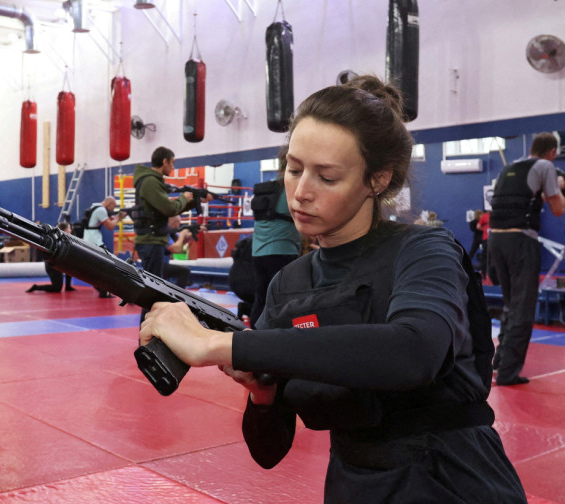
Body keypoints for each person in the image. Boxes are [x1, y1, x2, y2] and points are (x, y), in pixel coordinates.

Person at [139, 75, 526, 503]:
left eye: (327, 177)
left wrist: (220, 345)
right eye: (294, 168)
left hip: (452, 482)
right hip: (353, 485)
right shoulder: (290, 283)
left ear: (377, 180)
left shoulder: (423, 249)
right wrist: (263, 394)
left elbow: (413, 352)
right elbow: (268, 452)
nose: (301, 193)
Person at [488, 132, 565, 386]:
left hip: (496, 240)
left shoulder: (510, 167)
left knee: (511, 304)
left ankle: (499, 363)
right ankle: (508, 373)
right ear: (552, 152)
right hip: (520, 240)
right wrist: (559, 186)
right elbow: (558, 208)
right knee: (523, 308)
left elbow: (523, 200)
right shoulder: (546, 166)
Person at [133, 146, 205, 318]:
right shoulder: (150, 181)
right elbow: (169, 208)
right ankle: (146, 336)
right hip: (151, 241)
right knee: (152, 293)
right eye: (172, 163)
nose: (173, 167)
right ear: (164, 161)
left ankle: (149, 333)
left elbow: (167, 209)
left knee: (154, 291)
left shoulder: (153, 181)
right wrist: (184, 198)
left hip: (153, 241)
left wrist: (194, 201)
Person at [249, 148, 302, 328]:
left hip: (258, 252)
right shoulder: (292, 188)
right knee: (285, 300)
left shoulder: (267, 187)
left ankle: (252, 337)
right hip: (283, 251)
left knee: (261, 298)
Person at [82, 196, 125, 297]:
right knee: (109, 263)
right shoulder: (101, 210)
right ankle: (103, 289)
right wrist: (119, 218)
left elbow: (108, 218)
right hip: (94, 241)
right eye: (113, 207)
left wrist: (116, 217)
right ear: (109, 204)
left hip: (89, 239)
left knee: (100, 265)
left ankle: (101, 288)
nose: (112, 209)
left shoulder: (95, 206)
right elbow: (110, 226)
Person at [26, 221, 74, 293]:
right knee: (57, 288)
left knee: (70, 265)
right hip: (52, 266)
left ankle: (68, 286)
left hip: (57, 264)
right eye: (69, 228)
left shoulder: (66, 238)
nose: (70, 230)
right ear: (65, 230)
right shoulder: (58, 239)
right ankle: (36, 287)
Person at [163, 215, 195, 289]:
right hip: (158, 265)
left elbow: (181, 241)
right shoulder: (165, 234)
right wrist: (182, 235)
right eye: (178, 223)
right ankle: (178, 295)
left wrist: (194, 232)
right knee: (185, 271)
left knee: (184, 271)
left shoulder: (171, 233)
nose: (179, 225)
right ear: (172, 223)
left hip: (163, 264)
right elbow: (176, 249)